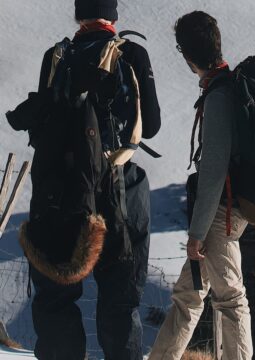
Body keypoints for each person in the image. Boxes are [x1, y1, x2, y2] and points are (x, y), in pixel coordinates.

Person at [28, 0, 161, 359]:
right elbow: (153, 122)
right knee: (120, 301)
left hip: (59, 192)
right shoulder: (131, 53)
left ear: (78, 14)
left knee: (55, 298)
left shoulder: (55, 56)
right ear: (113, 16)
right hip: (119, 188)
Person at [148, 11, 253, 360]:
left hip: (220, 213)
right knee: (189, 294)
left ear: (188, 54)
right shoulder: (228, 86)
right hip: (225, 209)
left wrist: (196, 232)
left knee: (229, 297)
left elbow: (212, 171)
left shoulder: (220, 96)